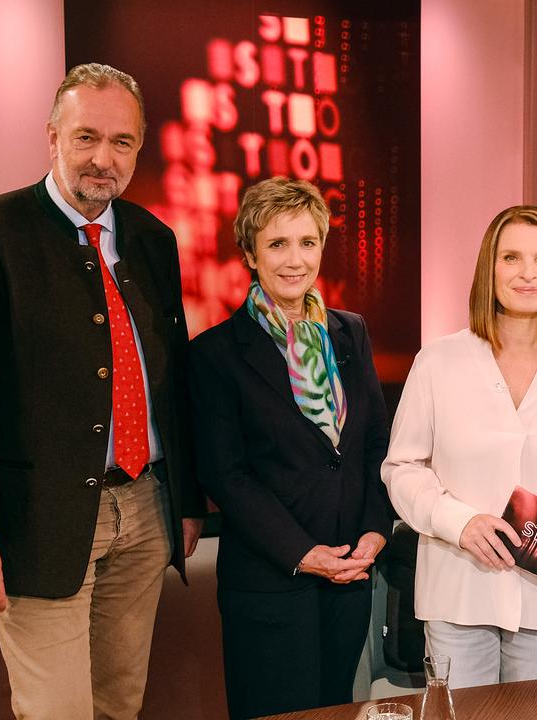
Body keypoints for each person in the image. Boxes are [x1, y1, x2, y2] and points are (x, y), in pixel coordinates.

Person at [0, 63, 207, 719]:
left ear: (140, 146)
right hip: (36, 522)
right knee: (57, 711)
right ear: (52, 137)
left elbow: (173, 381)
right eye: (86, 138)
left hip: (144, 509)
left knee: (118, 704)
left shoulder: (153, 239)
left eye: (122, 142)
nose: (103, 159)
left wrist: (186, 502)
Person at [382, 205, 537, 689]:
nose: (528, 273)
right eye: (511, 257)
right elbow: (403, 467)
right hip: (458, 589)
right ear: (488, 269)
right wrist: (461, 522)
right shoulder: (438, 361)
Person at [189, 177, 392, 717]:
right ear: (251, 255)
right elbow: (224, 475)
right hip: (270, 582)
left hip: (351, 572)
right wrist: (303, 555)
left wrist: (375, 528)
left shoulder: (352, 334)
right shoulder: (215, 354)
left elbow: (375, 441)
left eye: (307, 242)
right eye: (276, 244)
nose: (294, 259)